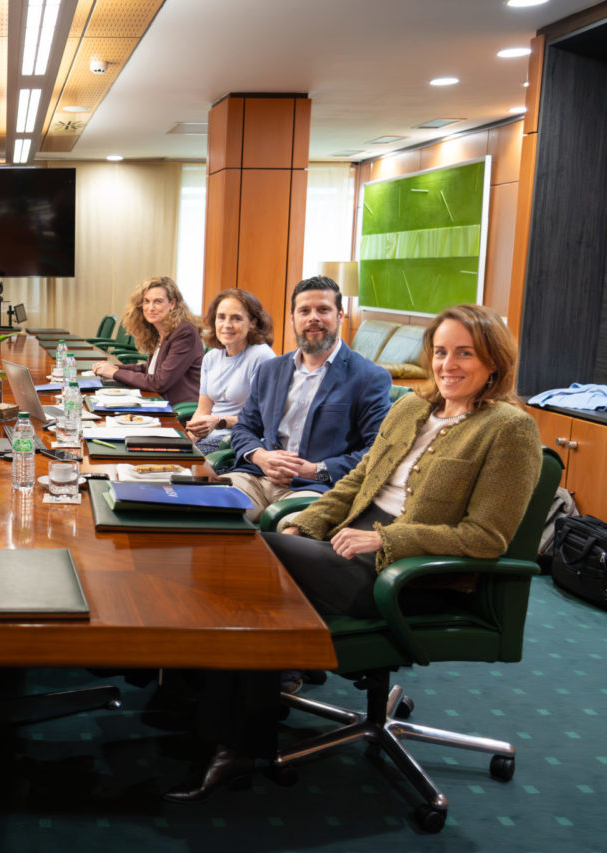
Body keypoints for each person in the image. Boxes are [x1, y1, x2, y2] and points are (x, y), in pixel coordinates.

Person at [165, 303, 542, 805]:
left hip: (407, 575)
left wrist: (387, 540)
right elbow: (357, 481)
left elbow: (485, 537)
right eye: (440, 352)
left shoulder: (509, 429)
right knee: (250, 587)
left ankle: (228, 737)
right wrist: (307, 523)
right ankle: (221, 726)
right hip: (346, 547)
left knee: (242, 555)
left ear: (494, 361)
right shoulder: (412, 408)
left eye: (464, 354)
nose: (447, 365)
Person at [226, 275, 391, 522]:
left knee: (289, 529)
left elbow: (378, 451)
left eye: (323, 310)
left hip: (315, 488)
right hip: (256, 478)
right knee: (210, 512)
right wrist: (261, 457)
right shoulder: (270, 370)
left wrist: (316, 471)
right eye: (304, 311)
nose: (313, 317)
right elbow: (244, 427)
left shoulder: (369, 377)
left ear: (340, 316)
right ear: (293, 318)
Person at [185, 288, 276, 456]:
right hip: (209, 438)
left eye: (236, 318)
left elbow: (264, 419)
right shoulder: (211, 357)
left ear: (252, 323)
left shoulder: (262, 356)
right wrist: (187, 441)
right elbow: (203, 410)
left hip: (238, 441)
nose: (227, 325)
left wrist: (219, 421)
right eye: (221, 317)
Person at [91, 275, 203, 406]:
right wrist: (114, 367)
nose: (150, 308)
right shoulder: (159, 329)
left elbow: (159, 382)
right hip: (156, 399)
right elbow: (150, 369)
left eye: (158, 301)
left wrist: (114, 373)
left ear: (172, 304)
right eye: (146, 301)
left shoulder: (184, 332)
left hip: (175, 407)